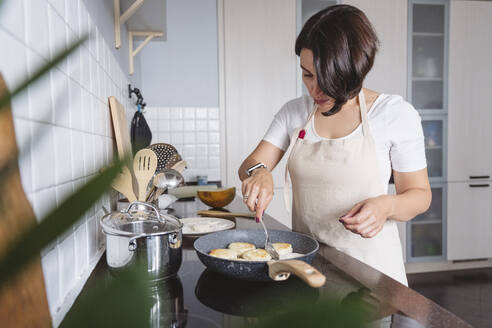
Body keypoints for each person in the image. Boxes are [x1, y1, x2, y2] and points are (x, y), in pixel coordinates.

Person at [238, 4, 431, 288]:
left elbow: (420, 195)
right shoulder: (294, 112)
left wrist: (386, 206)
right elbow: (249, 166)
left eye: (326, 78)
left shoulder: (394, 114)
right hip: (306, 268)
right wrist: (259, 173)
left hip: (372, 276)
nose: (314, 90)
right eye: (307, 75)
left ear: (353, 70)